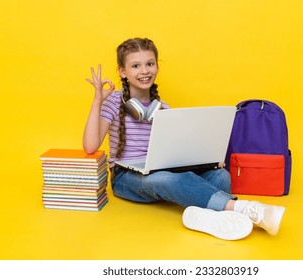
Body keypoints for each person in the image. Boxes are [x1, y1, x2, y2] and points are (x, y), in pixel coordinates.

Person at [83, 37, 286, 240]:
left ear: (157, 67)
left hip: (163, 171)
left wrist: (205, 159)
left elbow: (177, 153)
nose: (144, 71)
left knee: (221, 176)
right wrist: (98, 99)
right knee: (171, 179)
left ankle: (205, 218)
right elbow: (90, 146)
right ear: (122, 72)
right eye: (136, 66)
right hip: (126, 178)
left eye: (150, 64)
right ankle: (246, 209)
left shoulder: (164, 109)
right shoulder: (113, 102)